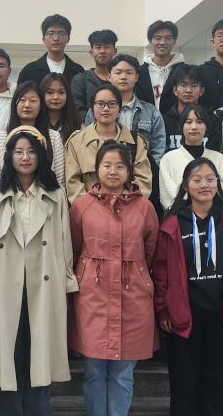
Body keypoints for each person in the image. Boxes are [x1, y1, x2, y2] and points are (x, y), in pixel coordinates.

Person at [0, 127, 78, 415]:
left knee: (39, 361)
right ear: (9, 156)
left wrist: (66, 281)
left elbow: (65, 242)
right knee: (9, 362)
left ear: (41, 157)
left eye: (31, 152)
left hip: (43, 285)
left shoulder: (56, 195)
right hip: (4, 288)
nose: (25, 157)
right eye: (19, 151)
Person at [153, 157, 223, 415]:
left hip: (221, 313)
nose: (204, 185)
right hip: (183, 314)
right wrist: (163, 309)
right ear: (185, 185)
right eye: (197, 180)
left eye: (210, 179)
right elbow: (161, 271)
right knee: (184, 381)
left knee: (217, 379)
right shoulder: (172, 224)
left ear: (218, 184)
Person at [69, 140, 159, 416]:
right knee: (94, 372)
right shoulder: (82, 206)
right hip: (92, 297)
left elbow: (151, 250)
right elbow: (73, 248)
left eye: (120, 166)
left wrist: (138, 273)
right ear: (96, 169)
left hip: (133, 297)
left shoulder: (144, 207)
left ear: (129, 171)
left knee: (123, 374)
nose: (113, 171)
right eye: (107, 165)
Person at [65, 84, 152, 204]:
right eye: (100, 104)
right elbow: (73, 182)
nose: (106, 109)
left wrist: (124, 205)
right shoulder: (77, 141)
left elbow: (143, 180)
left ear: (119, 108)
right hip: (89, 210)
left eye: (111, 104)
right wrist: (92, 208)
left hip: (127, 208)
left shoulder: (136, 141)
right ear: (92, 107)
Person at [83, 54, 166, 166]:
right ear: (109, 76)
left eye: (129, 72)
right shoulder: (96, 111)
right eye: (118, 72)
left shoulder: (151, 112)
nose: (123, 77)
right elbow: (89, 145)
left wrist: (147, 171)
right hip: (105, 172)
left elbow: (158, 149)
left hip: (142, 172)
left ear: (136, 77)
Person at [0, 81, 65, 189]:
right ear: (14, 104)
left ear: (41, 105)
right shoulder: (0, 138)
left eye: (33, 101)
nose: (27, 105)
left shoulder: (53, 137)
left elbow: (60, 179)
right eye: (22, 100)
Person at [158, 105, 223, 210]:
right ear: (182, 126)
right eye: (188, 122)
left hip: (215, 216)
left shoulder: (219, 159)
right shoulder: (168, 159)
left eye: (199, 122)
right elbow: (167, 198)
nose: (194, 127)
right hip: (179, 215)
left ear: (207, 127)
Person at [162, 65, 222, 153]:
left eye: (194, 85)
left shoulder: (213, 121)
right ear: (175, 90)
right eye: (183, 85)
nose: (188, 90)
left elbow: (214, 154)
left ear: (201, 91)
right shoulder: (164, 121)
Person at [17, 14, 84, 85]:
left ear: (68, 39)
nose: (56, 38)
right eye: (51, 33)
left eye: (61, 33)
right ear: (43, 39)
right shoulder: (29, 71)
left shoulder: (78, 71)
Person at [135, 20, 185, 111]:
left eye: (168, 38)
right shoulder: (139, 72)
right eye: (157, 38)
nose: (162, 42)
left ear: (174, 41)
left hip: (177, 119)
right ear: (150, 41)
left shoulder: (185, 71)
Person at [71, 29, 118, 121]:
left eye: (107, 47)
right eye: (98, 47)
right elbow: (78, 110)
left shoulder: (121, 79)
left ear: (114, 51)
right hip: (89, 128)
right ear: (91, 52)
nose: (102, 51)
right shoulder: (80, 80)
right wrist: (100, 125)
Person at [41, 73, 82, 141]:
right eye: (50, 92)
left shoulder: (77, 124)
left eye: (61, 92)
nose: (56, 97)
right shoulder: (35, 123)